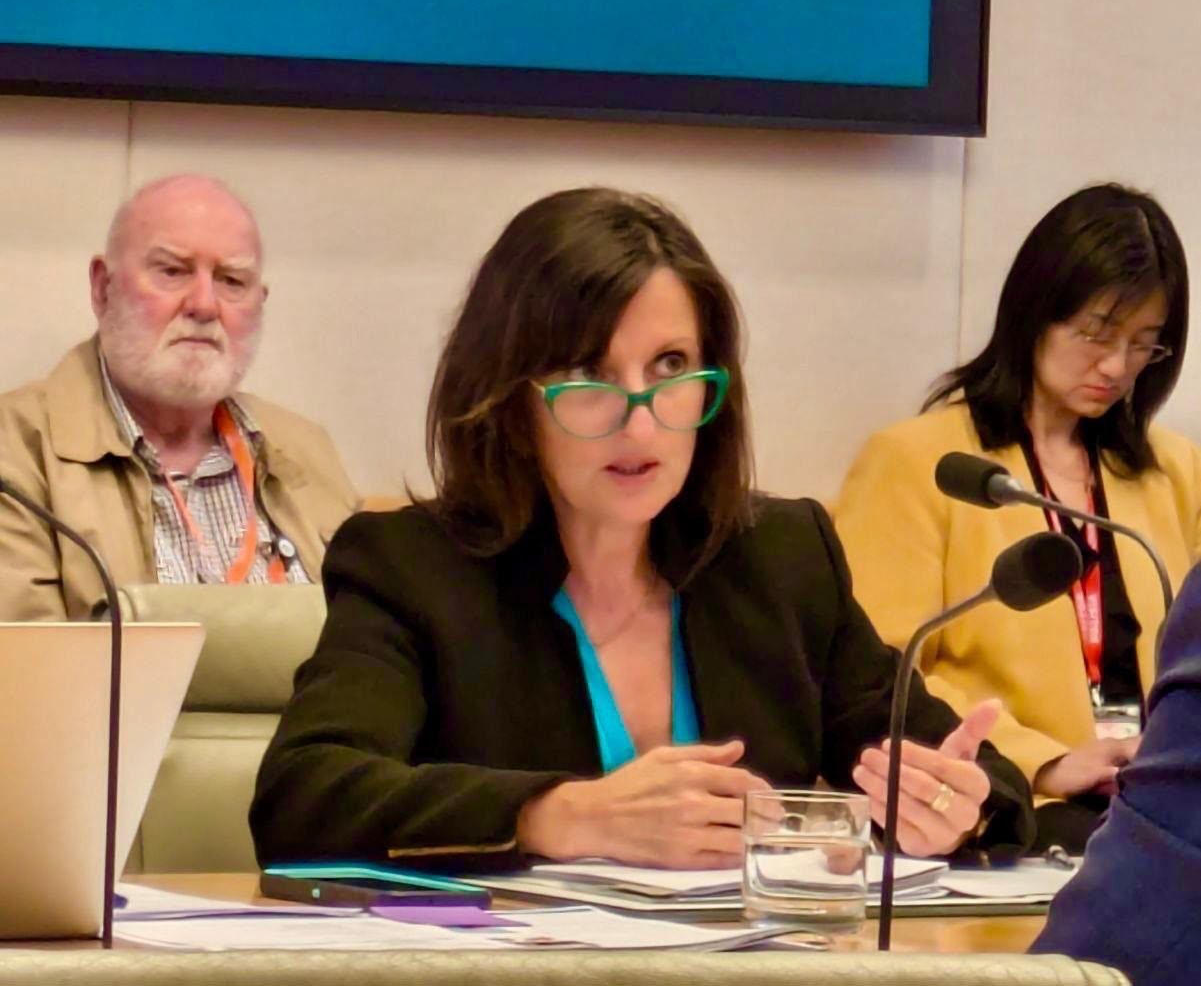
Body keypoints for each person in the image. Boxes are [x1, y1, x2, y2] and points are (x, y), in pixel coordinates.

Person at [251, 186, 1032, 870]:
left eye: (669, 366)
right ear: (509, 399)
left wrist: (956, 806)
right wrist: (562, 815)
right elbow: (301, 797)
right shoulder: (411, 568)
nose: (640, 421)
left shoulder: (782, 558)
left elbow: (972, 773)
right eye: (589, 374)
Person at [835, 182, 1201, 851]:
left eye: (1144, 344)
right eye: (1096, 333)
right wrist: (1045, 760)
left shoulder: (1174, 471)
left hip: (1157, 809)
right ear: (1034, 312)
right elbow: (877, 676)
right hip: (1015, 814)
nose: (1116, 365)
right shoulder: (921, 463)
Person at [0, 174, 358, 620]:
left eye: (232, 281)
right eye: (172, 271)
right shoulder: (16, 451)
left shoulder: (306, 450)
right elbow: (27, 656)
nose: (204, 305)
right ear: (103, 288)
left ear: (259, 303)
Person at [1030, 556, 1201, 983]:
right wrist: (1042, 762)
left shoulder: (1164, 509)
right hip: (1030, 813)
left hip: (1132, 820)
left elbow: (1128, 935)